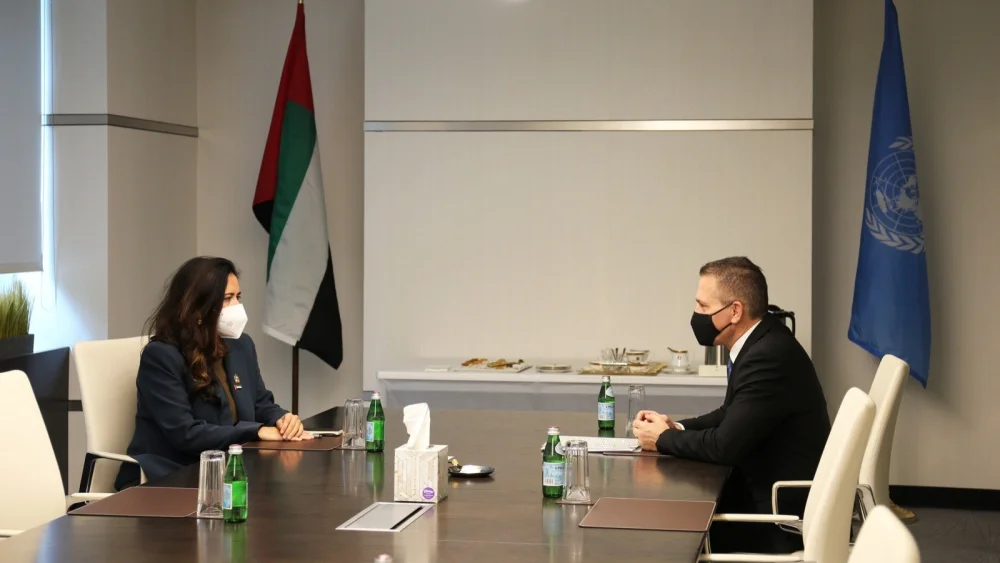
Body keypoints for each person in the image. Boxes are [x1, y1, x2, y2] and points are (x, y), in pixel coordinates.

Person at [632, 257, 830, 553]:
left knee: (664, 536)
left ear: (735, 311)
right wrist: (677, 427)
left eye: (703, 306)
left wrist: (663, 438)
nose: (696, 314)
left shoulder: (767, 356)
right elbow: (731, 412)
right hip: (764, 487)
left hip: (775, 513)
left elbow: (724, 446)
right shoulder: (762, 340)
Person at [114, 257, 311, 490]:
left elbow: (260, 403)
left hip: (228, 470)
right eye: (227, 299)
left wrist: (282, 419)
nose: (237, 307)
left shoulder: (241, 345)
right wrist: (257, 430)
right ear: (197, 308)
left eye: (238, 297)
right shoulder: (161, 356)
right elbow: (186, 434)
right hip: (171, 477)